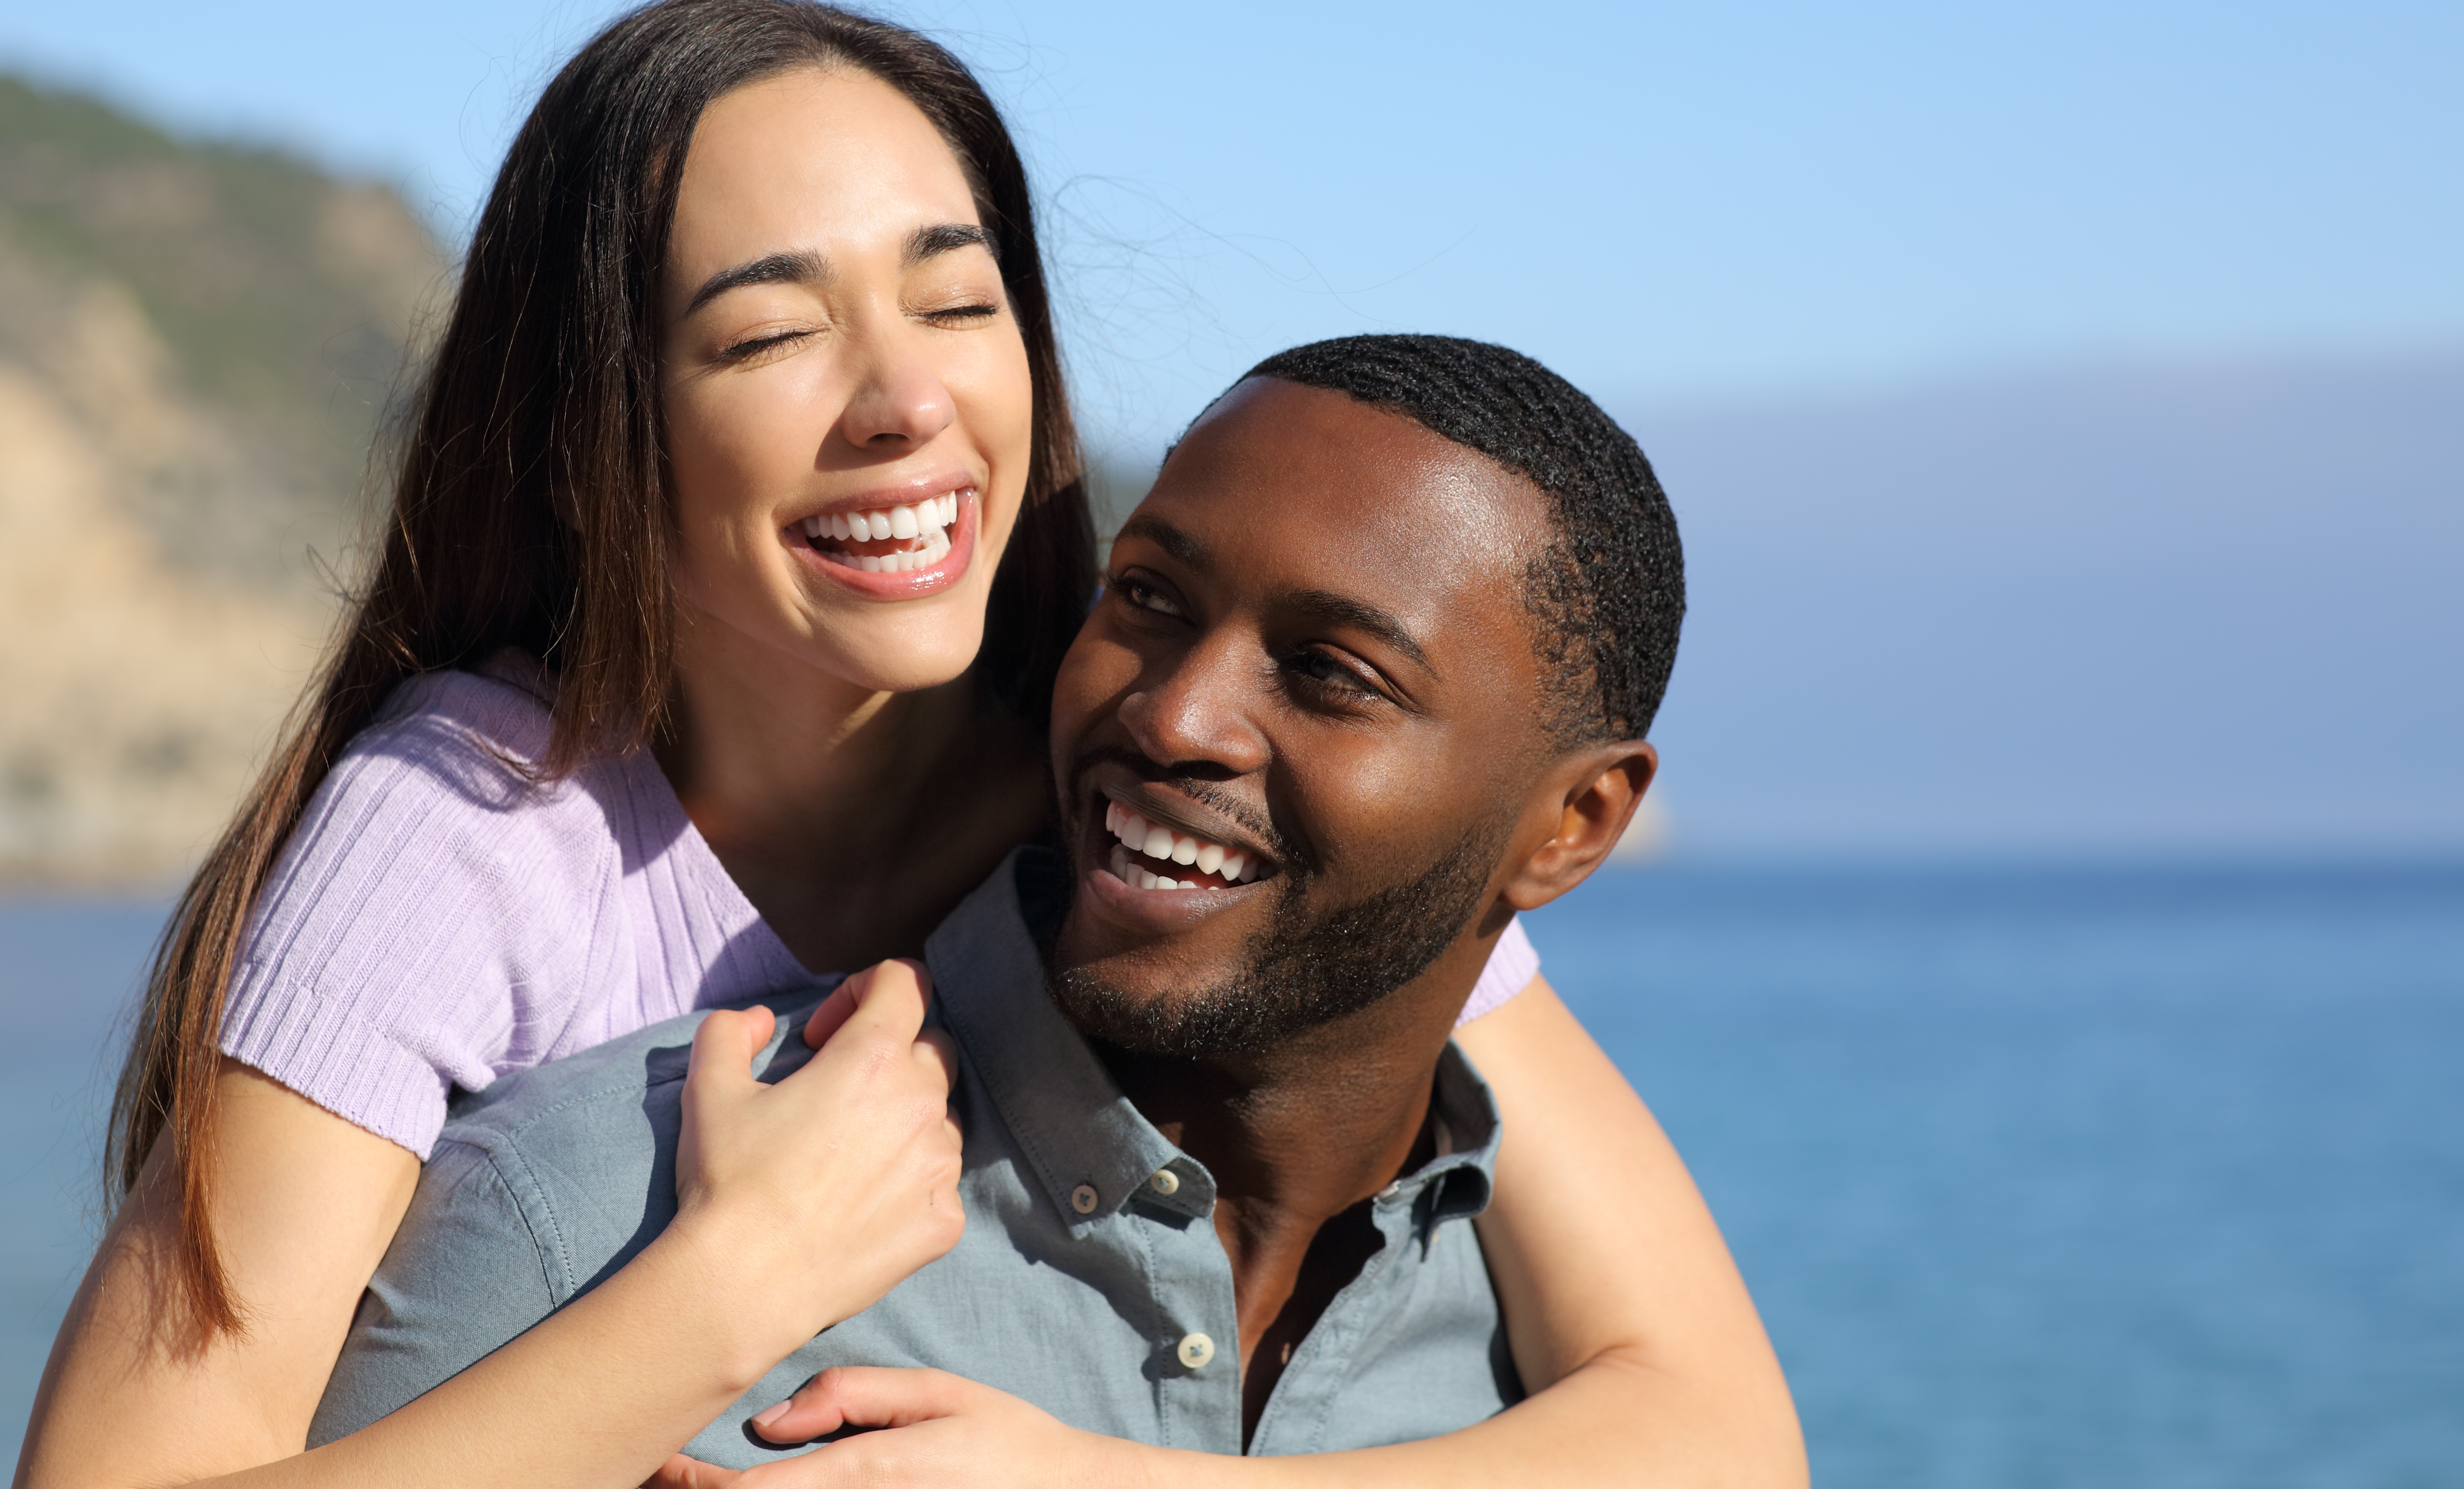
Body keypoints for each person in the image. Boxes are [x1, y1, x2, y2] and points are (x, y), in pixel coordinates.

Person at [13, 0, 1795, 1488]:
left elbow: (1710, 1424)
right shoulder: (480, 822)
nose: (906, 403)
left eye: (958, 301)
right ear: (604, 434)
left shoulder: (1150, 776)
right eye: (771, 332)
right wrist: (736, 1285)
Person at [311, 337, 1800, 1487]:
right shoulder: (609, 1211)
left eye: (1333, 675)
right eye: (1147, 598)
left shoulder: (1549, 1378)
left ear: (1571, 826)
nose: (1177, 716)